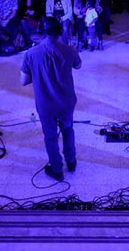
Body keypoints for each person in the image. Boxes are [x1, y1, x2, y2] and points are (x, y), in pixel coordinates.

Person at [20, 17, 82, 181]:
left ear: (41, 31)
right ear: (60, 31)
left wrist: (39, 72)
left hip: (46, 104)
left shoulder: (31, 53)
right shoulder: (70, 50)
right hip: (67, 102)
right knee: (68, 130)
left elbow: (23, 81)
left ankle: (57, 170)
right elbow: (78, 65)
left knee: (50, 136)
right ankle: (71, 162)